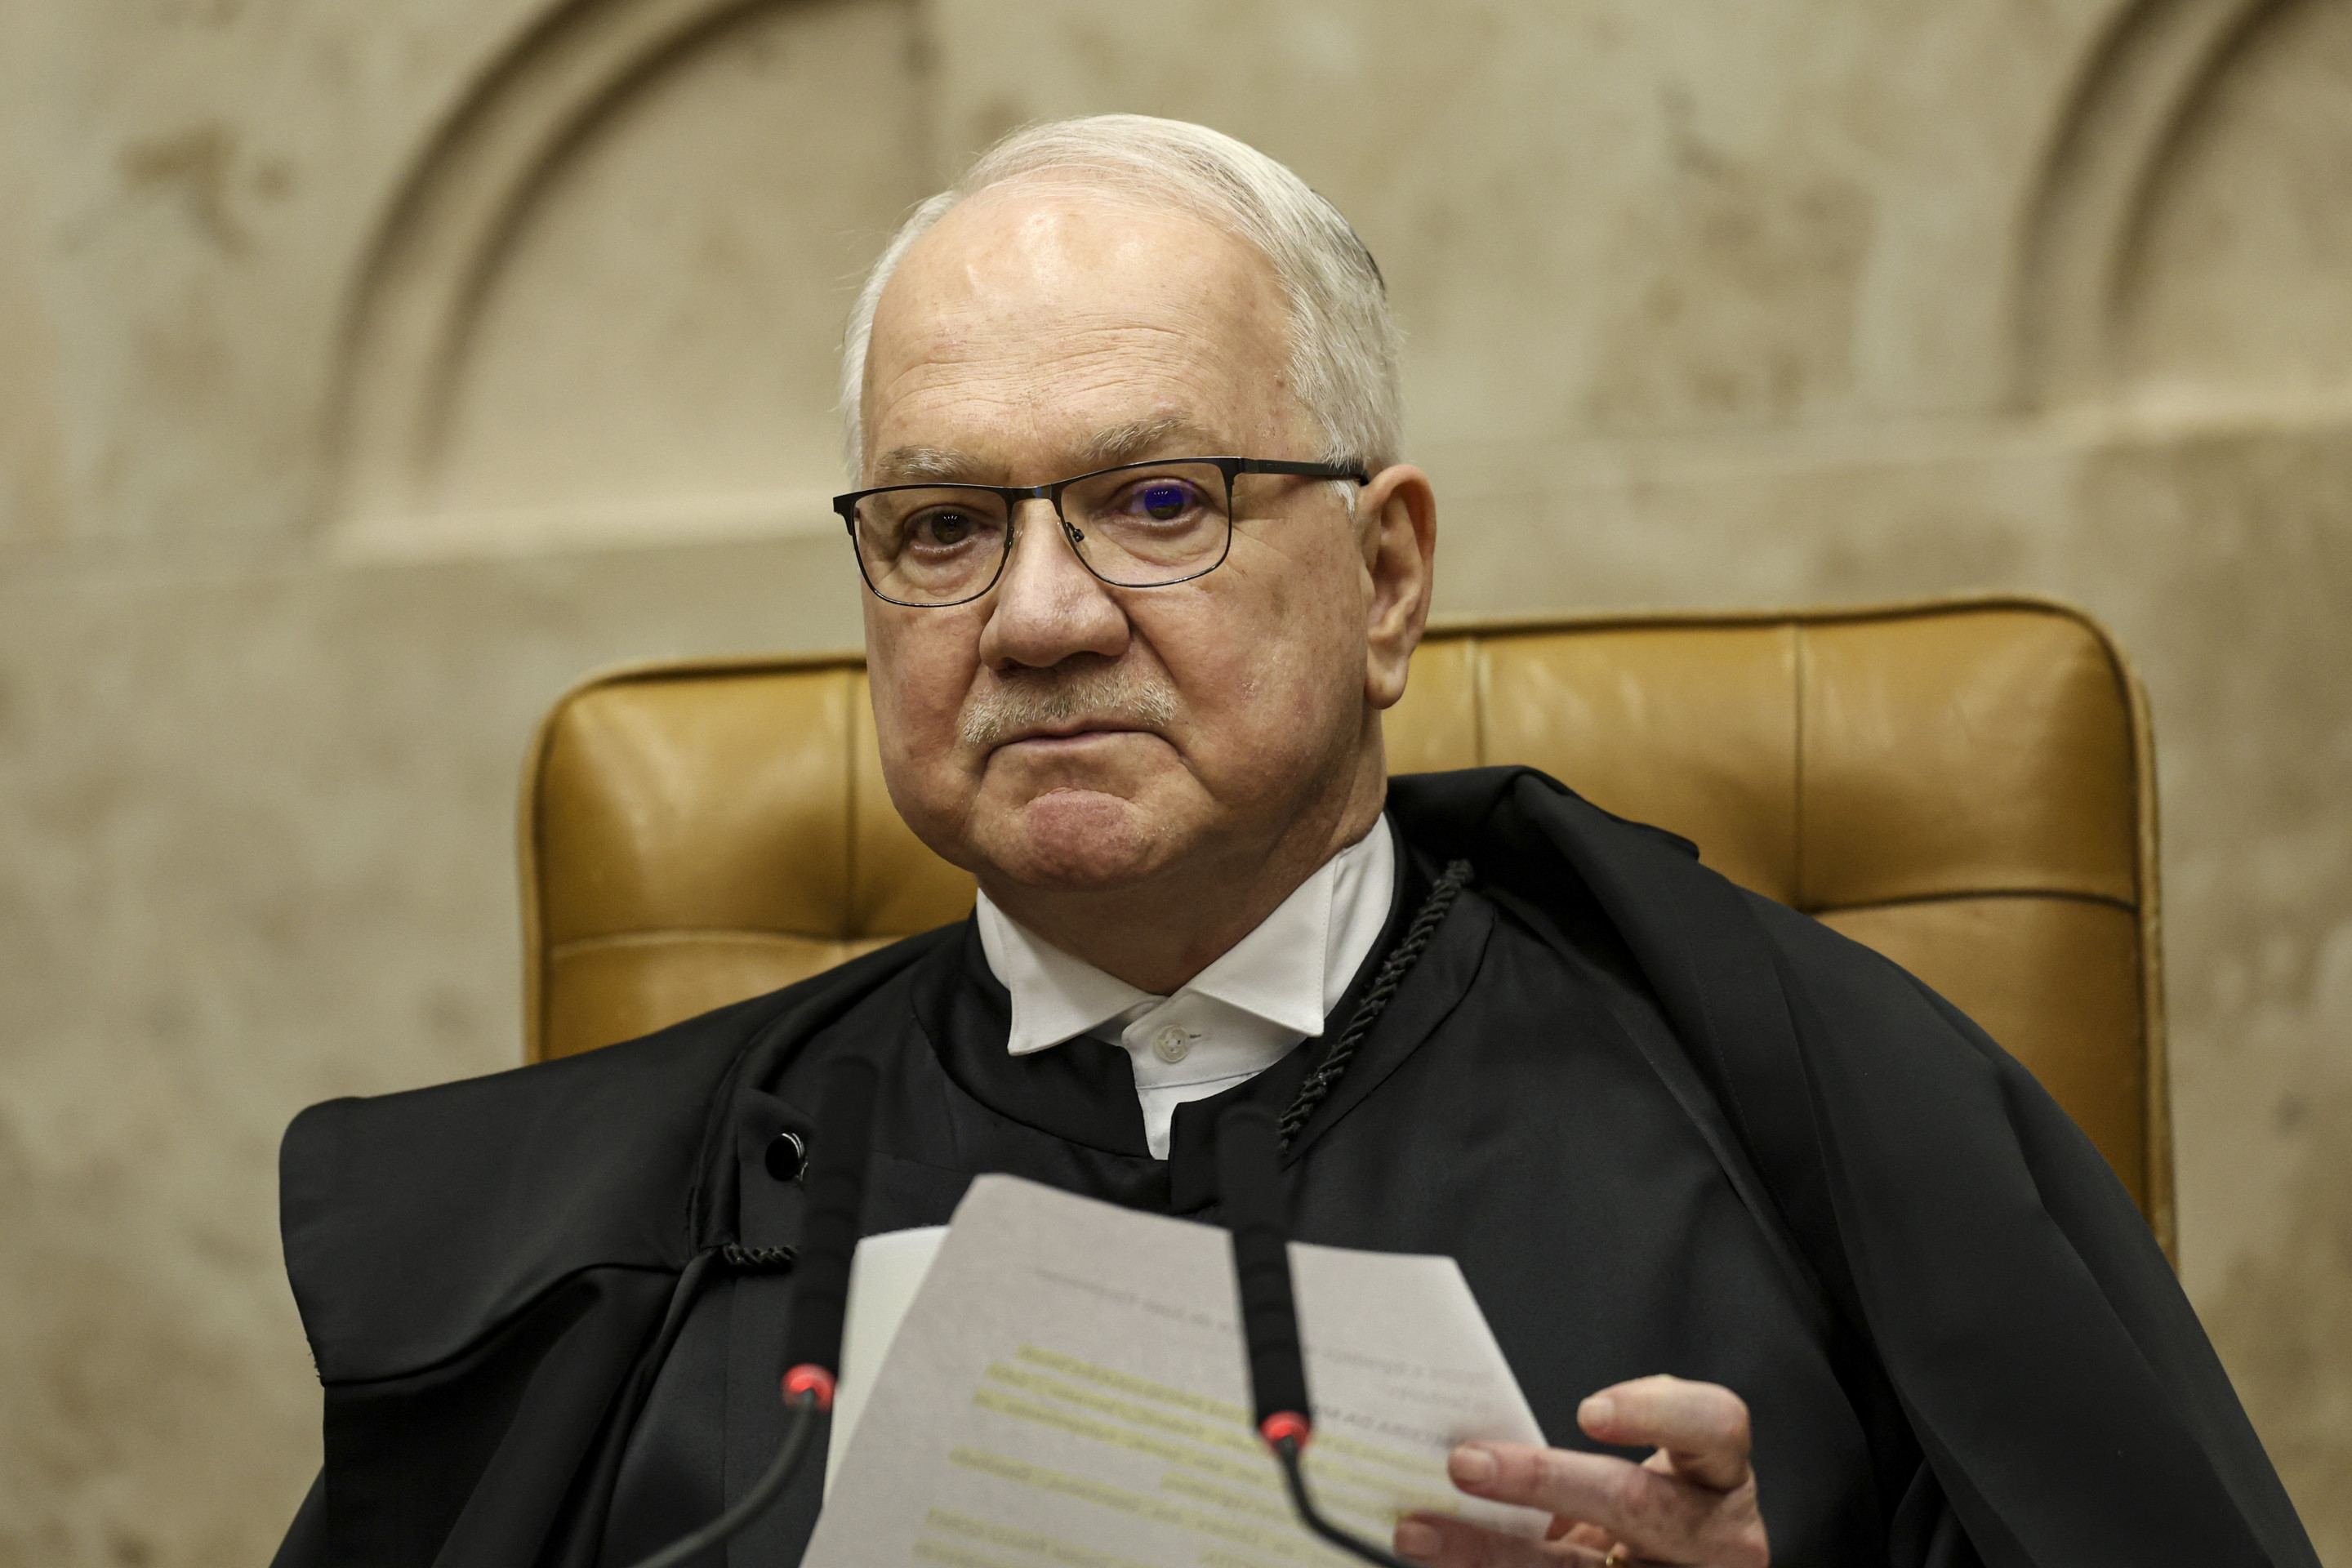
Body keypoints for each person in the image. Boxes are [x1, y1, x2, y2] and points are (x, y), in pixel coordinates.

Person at [269, 116, 2318, 1568]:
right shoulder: (657, 1224)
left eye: (1160, 501)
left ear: (1393, 579)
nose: (1045, 616)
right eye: (945, 527)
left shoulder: (1800, 1115)